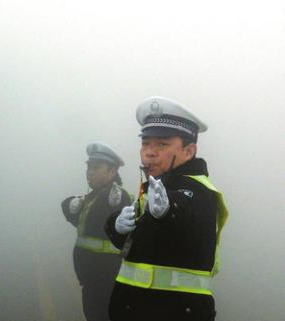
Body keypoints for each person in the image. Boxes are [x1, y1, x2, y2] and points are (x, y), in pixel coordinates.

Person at [105, 96, 229, 321]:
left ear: (189, 152)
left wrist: (168, 211)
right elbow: (137, 245)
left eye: (162, 144)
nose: (149, 152)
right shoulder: (153, 187)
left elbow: (186, 211)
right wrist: (116, 226)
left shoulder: (199, 191)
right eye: (146, 143)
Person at [62, 142, 132, 321]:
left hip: (107, 281)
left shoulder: (115, 196)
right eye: (89, 167)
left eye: (96, 167)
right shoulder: (94, 196)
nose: (89, 172)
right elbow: (85, 224)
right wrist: (70, 205)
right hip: (92, 281)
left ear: (112, 171)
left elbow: (109, 221)